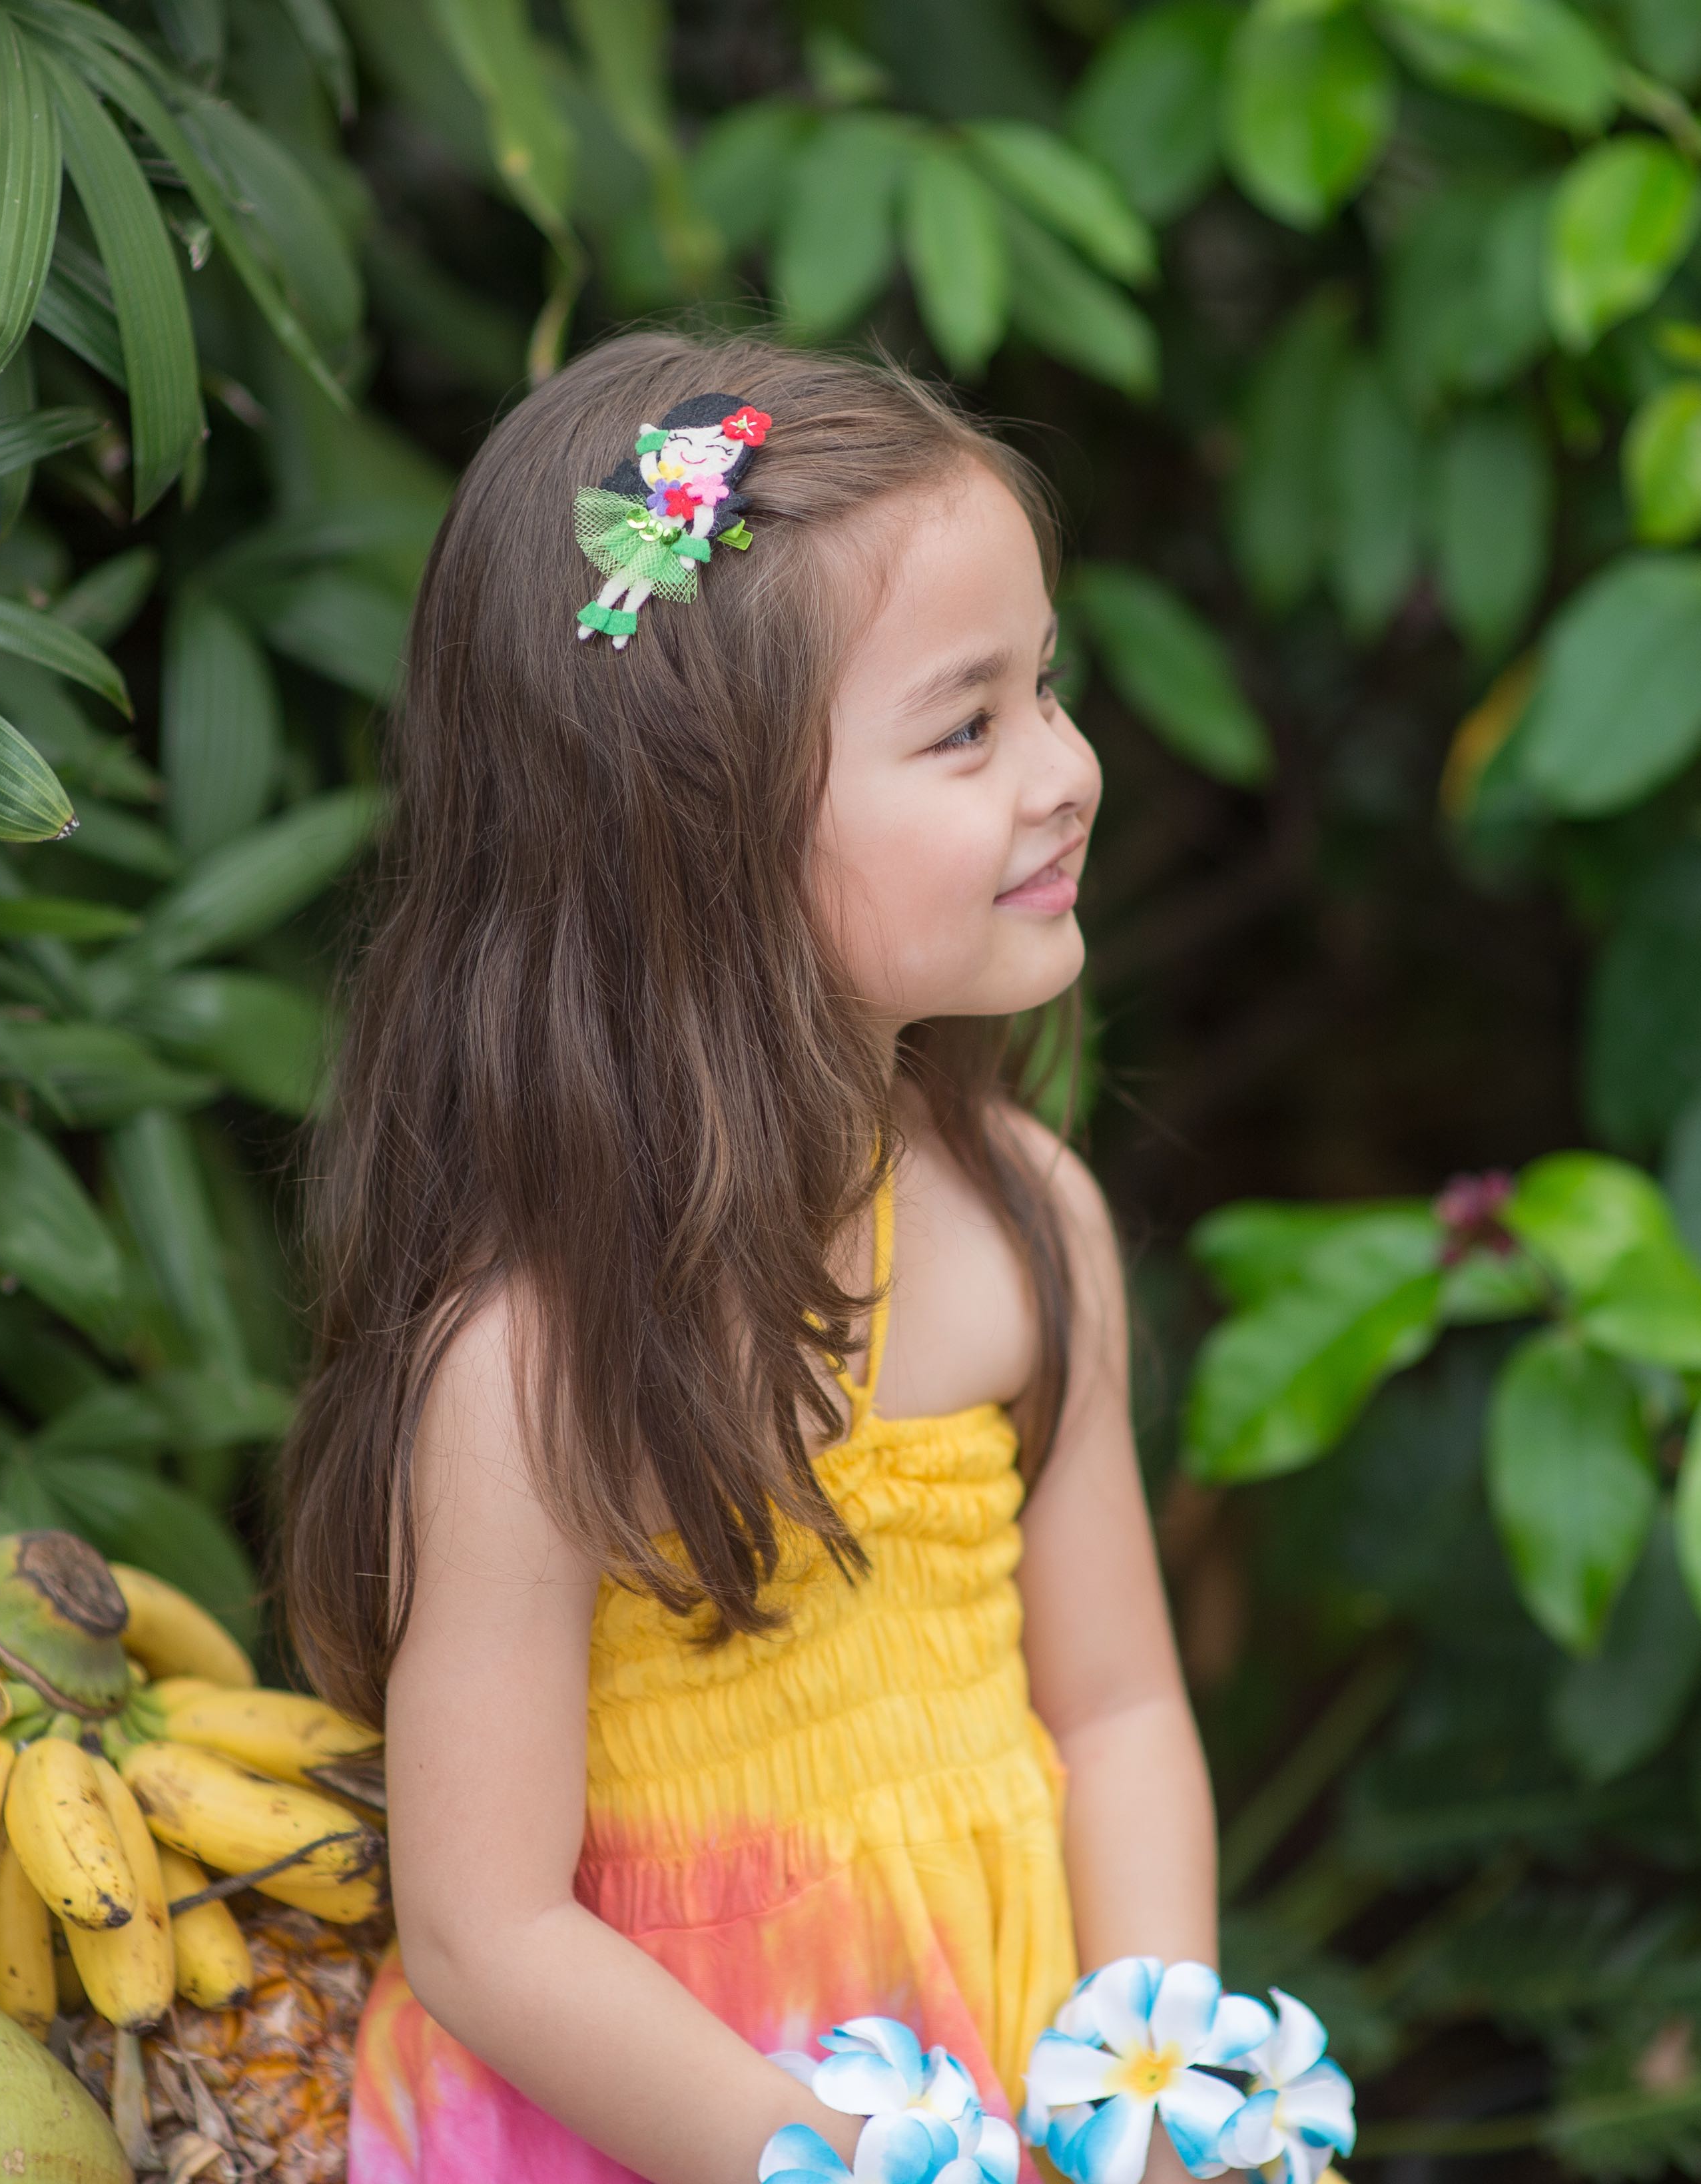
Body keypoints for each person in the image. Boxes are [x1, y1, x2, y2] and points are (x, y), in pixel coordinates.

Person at [281, 331, 1220, 2184]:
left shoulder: (1032, 1220)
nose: (1066, 770)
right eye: (966, 728)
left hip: (1021, 2083)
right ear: (695, 845)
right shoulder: (534, 1361)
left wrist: (1163, 2081)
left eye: (1047, 690)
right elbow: (488, 1927)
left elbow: (1117, 1709)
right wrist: (841, 2164)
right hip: (683, 2126)